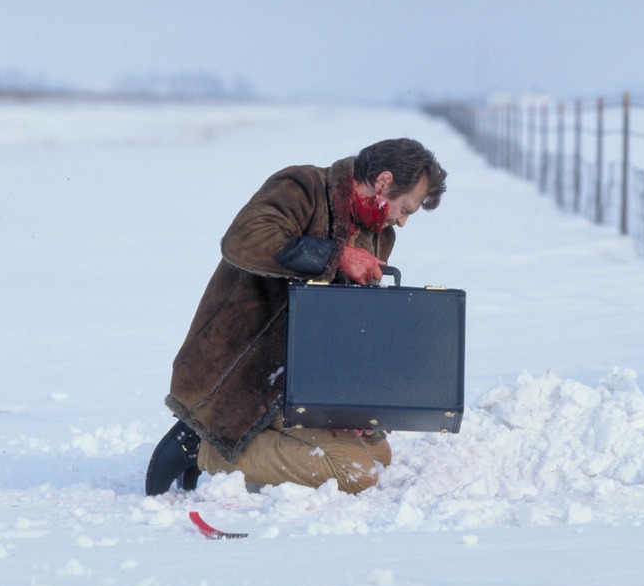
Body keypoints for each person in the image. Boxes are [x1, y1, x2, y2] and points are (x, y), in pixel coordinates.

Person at [145, 137, 447, 496]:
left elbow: (348, 325)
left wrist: (361, 405)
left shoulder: (378, 233)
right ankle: (203, 449)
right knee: (356, 474)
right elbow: (244, 240)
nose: (403, 221)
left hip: (301, 378)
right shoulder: (302, 186)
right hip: (248, 373)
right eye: (407, 209)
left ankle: (256, 445)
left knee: (378, 454)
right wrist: (336, 256)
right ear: (383, 182)